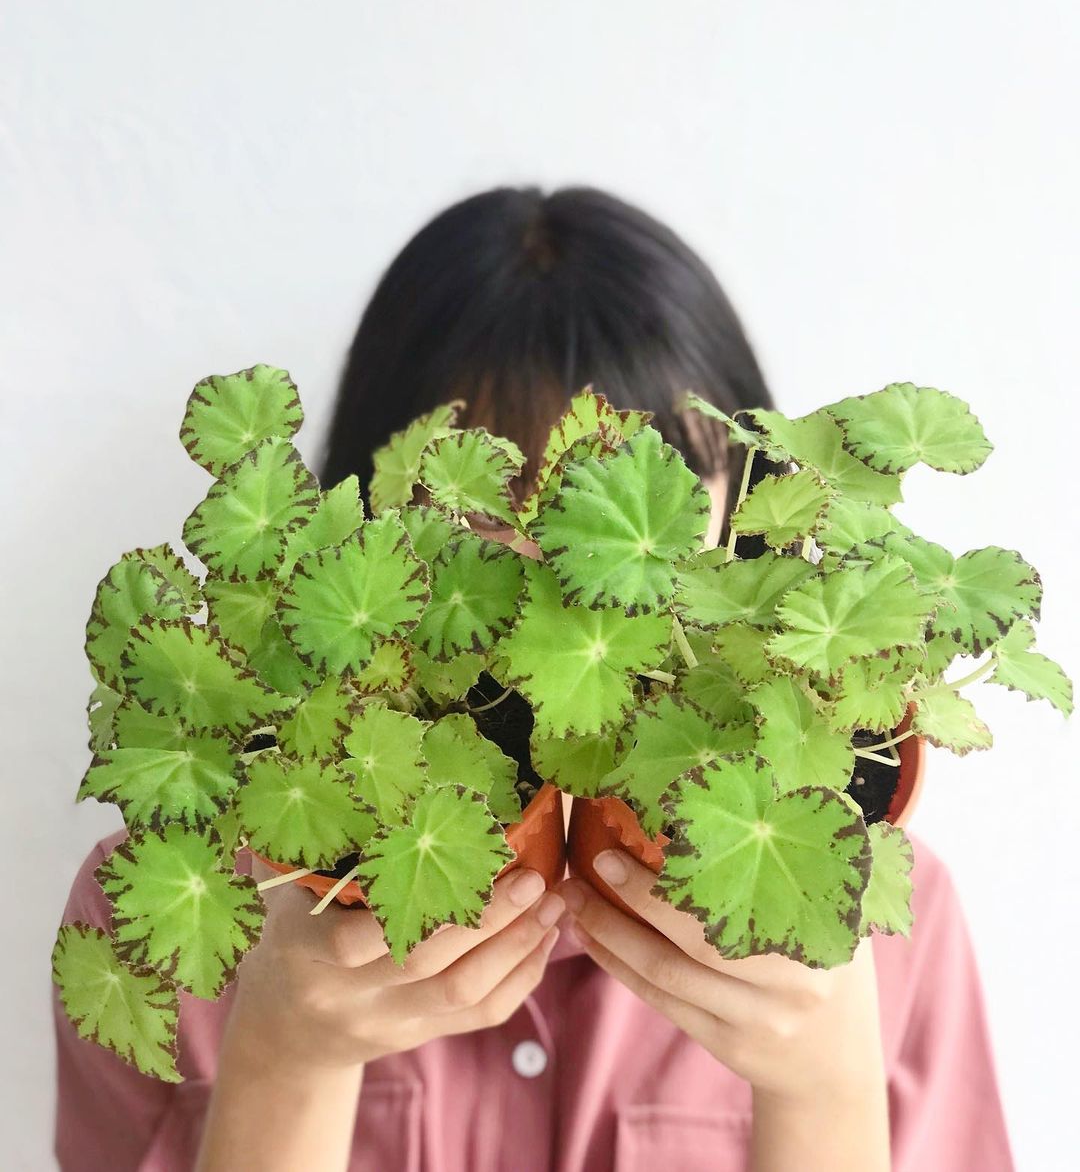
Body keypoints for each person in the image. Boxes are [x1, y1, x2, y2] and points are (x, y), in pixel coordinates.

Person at [54, 187, 1014, 1171]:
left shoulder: (870, 911)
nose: (566, 563)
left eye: (637, 487)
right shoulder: (183, 902)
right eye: (492, 500)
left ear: (747, 498)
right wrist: (287, 1059)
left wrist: (825, 1090)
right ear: (373, 510)